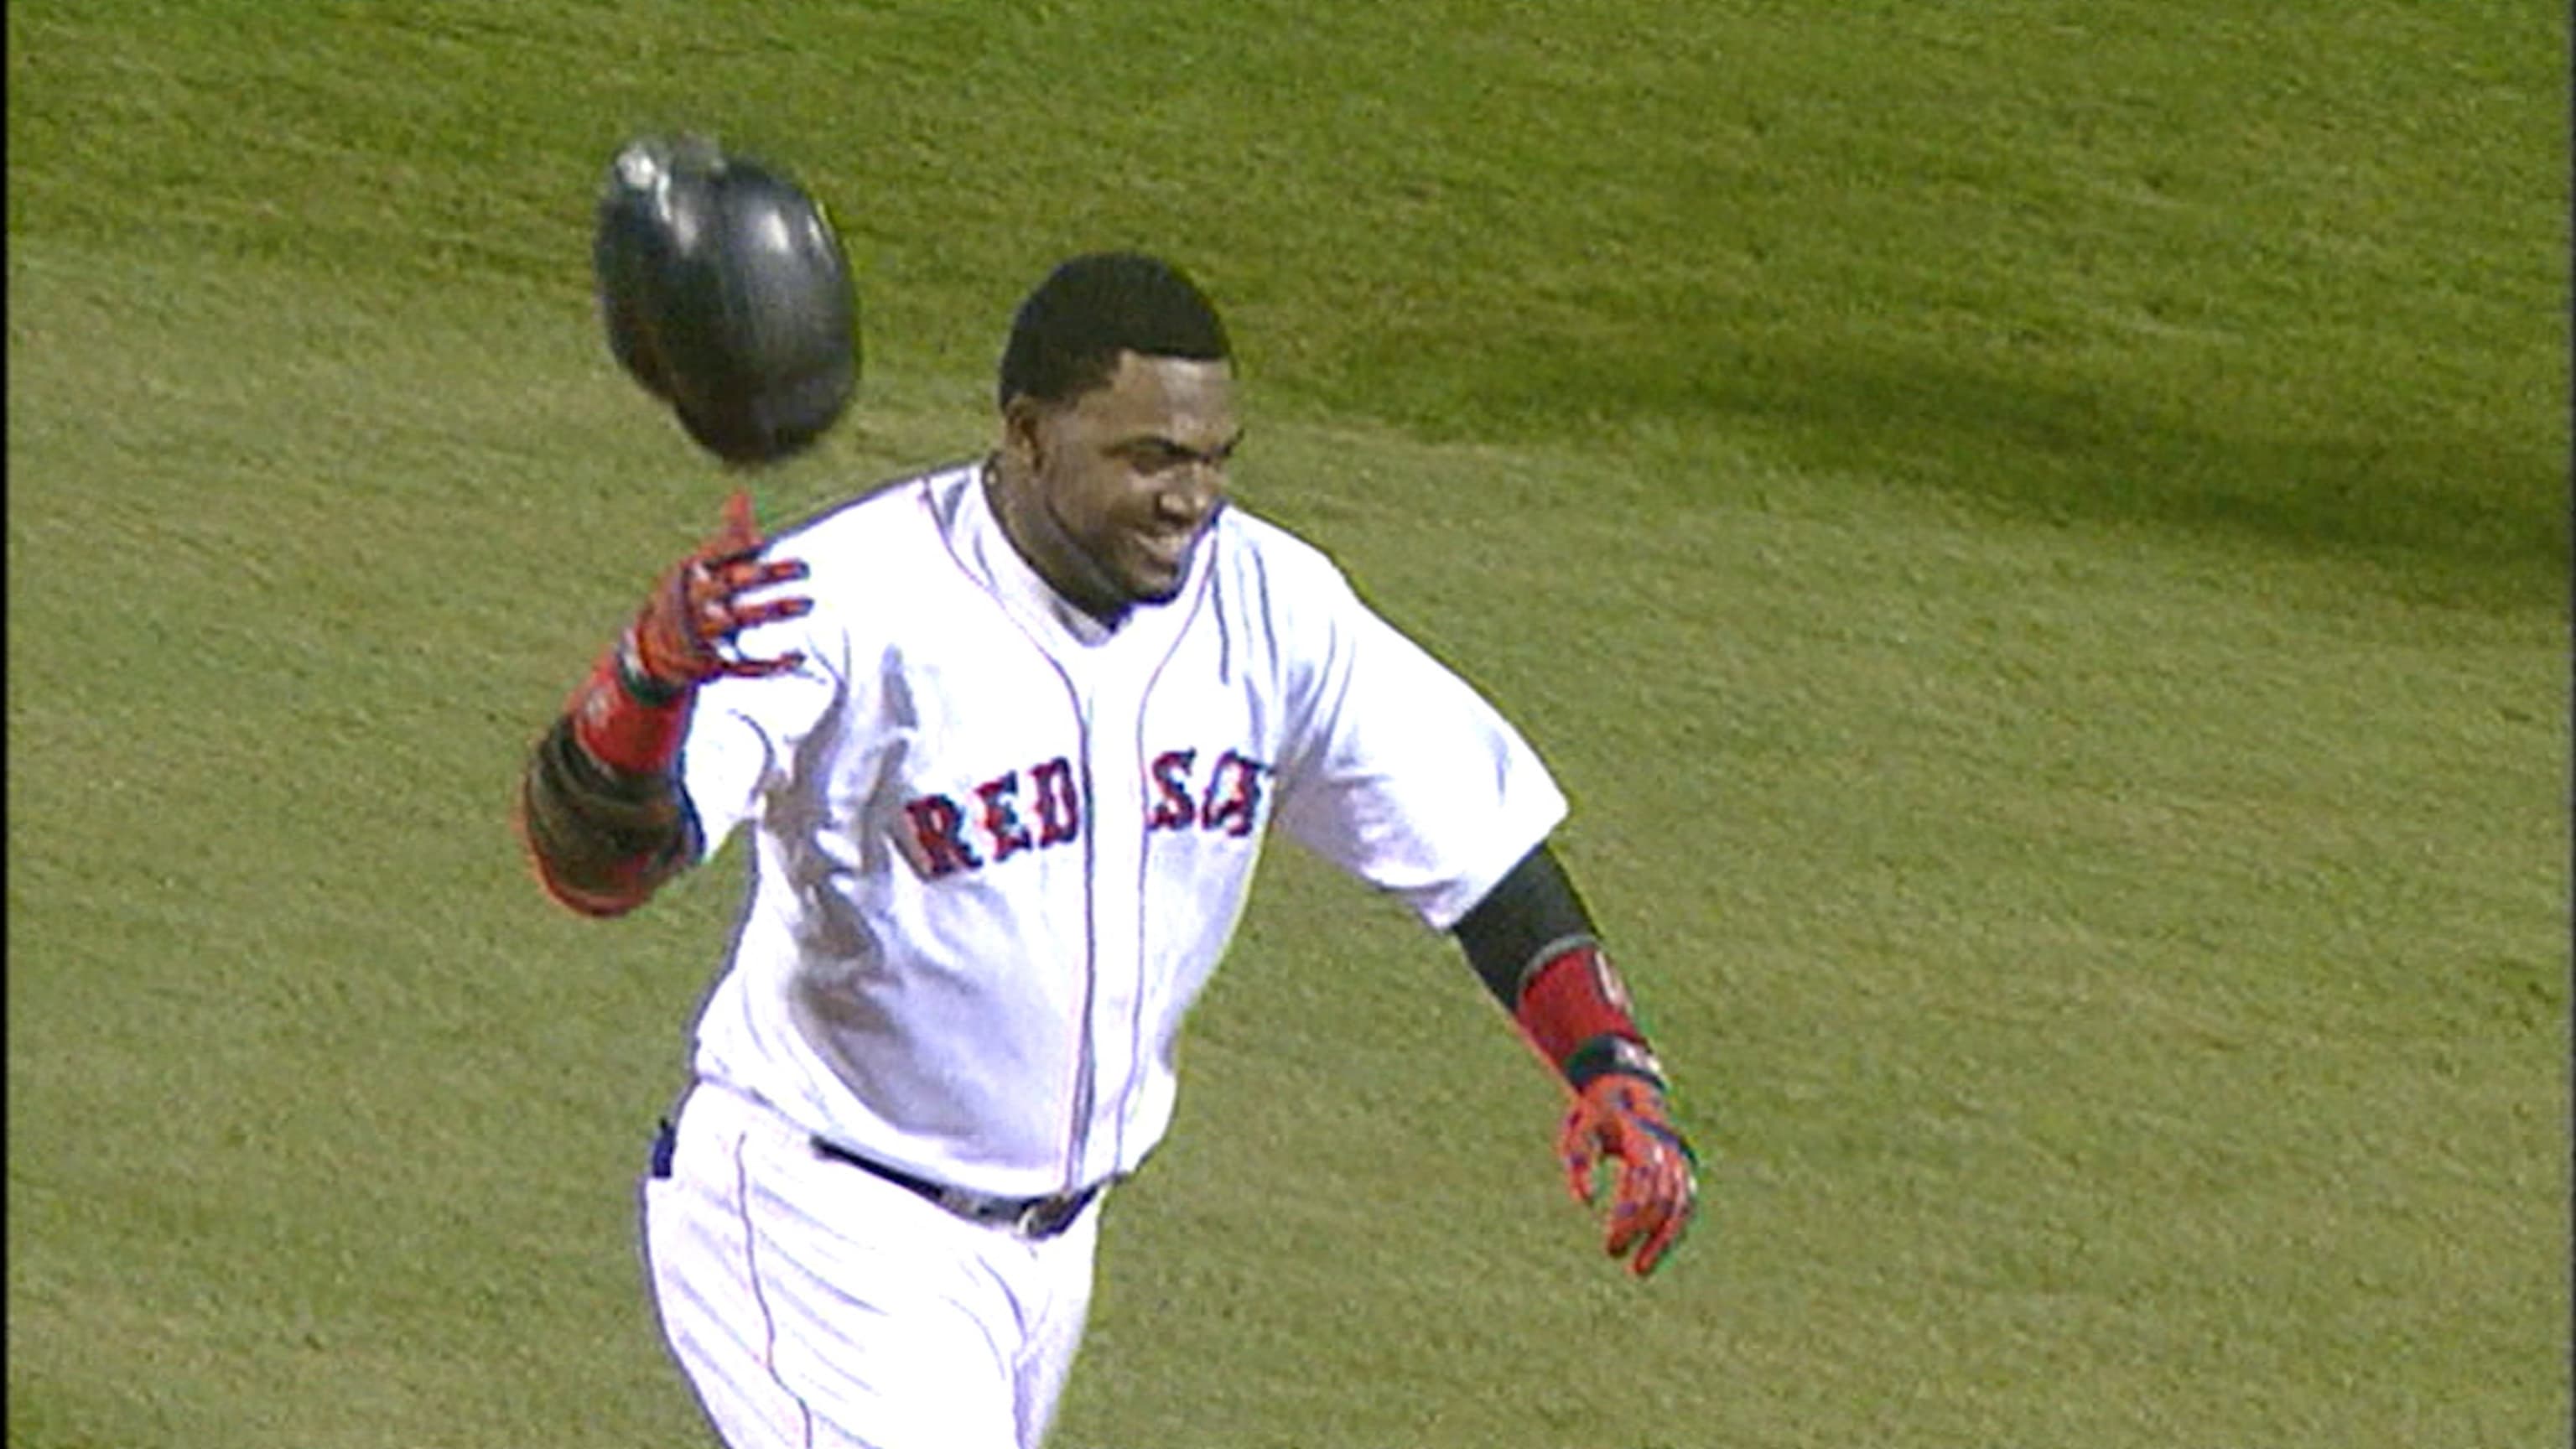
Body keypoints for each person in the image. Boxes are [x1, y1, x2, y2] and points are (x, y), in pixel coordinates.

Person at [517, 252, 1700, 1448]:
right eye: (1150, 459)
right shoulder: (845, 603)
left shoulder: (1268, 605)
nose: (1191, 497)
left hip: (1046, 1262)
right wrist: (644, 687)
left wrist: (1611, 1066)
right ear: (1028, 436)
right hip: (827, 1224)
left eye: (1212, 460)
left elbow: (1478, 846)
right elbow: (598, 867)